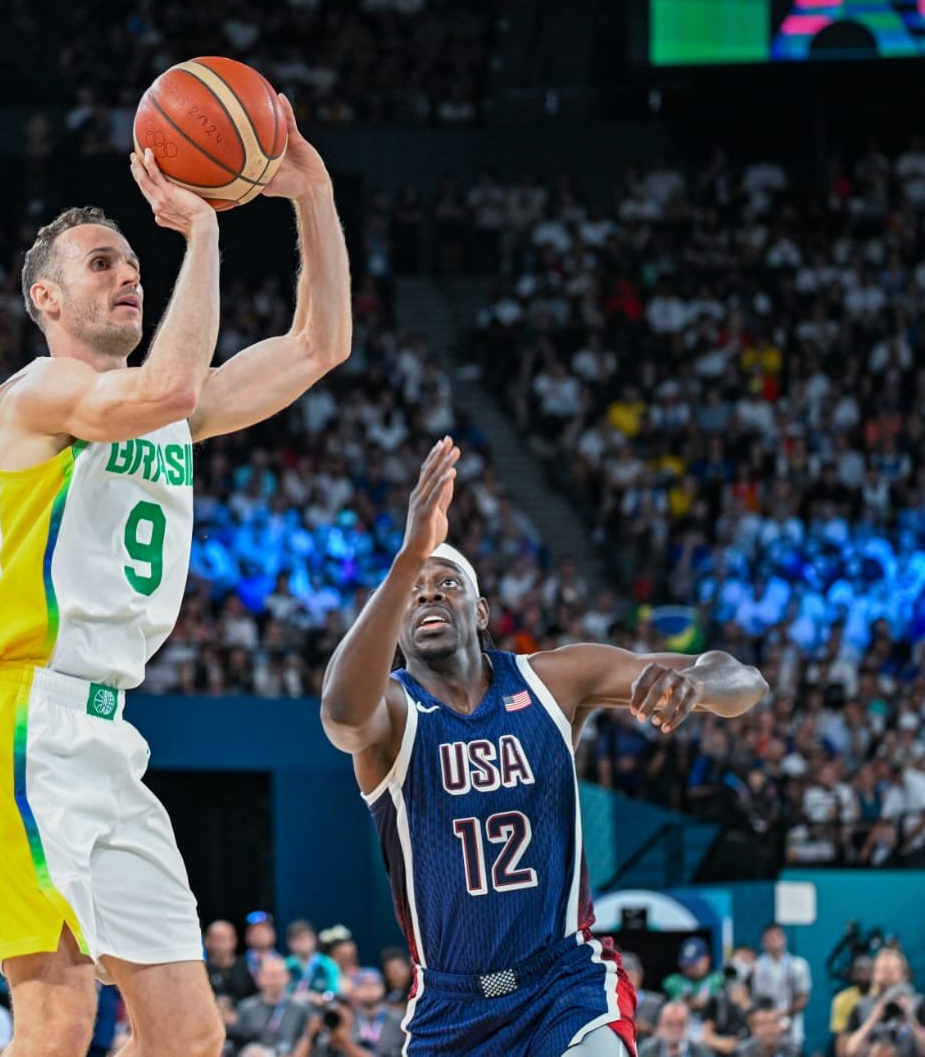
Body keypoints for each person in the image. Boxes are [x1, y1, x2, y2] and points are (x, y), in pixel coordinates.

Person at [0, 97, 351, 1055]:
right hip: (24, 719)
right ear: (46, 301)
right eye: (101, 264)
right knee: (57, 1011)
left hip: (109, 734)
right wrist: (201, 232)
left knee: (189, 1036)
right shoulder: (34, 397)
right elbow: (165, 384)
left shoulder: (167, 410)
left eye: (132, 261)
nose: (127, 274)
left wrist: (313, 195)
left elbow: (317, 346)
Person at [319, 438, 768, 1057]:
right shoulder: (393, 713)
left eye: (445, 582)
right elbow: (340, 715)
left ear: (478, 611)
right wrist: (409, 556)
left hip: (564, 983)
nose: (427, 593)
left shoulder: (553, 679)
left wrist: (693, 682)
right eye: (414, 591)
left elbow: (744, 679)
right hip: (450, 1007)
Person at [840, 948, 925, 1057]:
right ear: (873, 974)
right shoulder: (861, 1007)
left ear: (904, 974)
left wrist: (911, 1019)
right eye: (882, 969)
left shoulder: (918, 1003)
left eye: (892, 970)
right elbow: (848, 1051)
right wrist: (873, 1018)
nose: (887, 974)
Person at [228, 953, 317, 1055]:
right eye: (269, 975)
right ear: (259, 978)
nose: (274, 981)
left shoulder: (301, 1009)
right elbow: (238, 1045)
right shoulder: (246, 1008)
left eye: (278, 975)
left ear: (287, 977)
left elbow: (308, 1044)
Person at [311, 967, 405, 1057]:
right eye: (363, 984)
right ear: (354, 990)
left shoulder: (398, 1019)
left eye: (374, 984)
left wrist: (345, 1043)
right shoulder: (344, 1017)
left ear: (383, 988)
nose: (369, 988)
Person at [750, 924, 810, 1050]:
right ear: (763, 943)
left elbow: (803, 998)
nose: (773, 941)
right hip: (764, 1027)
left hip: (790, 1026)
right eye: (769, 938)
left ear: (784, 939)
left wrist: (783, 1014)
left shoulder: (798, 965)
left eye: (777, 937)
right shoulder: (756, 967)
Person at [205, 918, 258, 1003]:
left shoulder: (249, 966)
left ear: (234, 941)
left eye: (223, 939)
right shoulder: (201, 971)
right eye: (216, 939)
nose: (220, 944)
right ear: (207, 941)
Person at [286, 919, 343, 998]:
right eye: (299, 939)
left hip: (320, 1008)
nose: (304, 942)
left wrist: (321, 998)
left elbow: (334, 992)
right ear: (290, 943)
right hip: (292, 1007)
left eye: (307, 937)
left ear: (314, 939)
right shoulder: (285, 966)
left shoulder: (328, 964)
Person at [639, 1002, 711, 1057]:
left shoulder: (702, 1052)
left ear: (688, 1024)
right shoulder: (647, 1050)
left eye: (680, 1024)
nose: (674, 1029)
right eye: (669, 1024)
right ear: (661, 1025)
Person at [831, 955, 874, 1045]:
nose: (863, 975)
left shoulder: (882, 995)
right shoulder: (842, 999)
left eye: (867, 970)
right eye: (859, 970)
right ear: (853, 974)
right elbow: (840, 1036)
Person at [734, 1000, 799, 1057]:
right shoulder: (742, 1053)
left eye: (774, 1022)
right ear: (752, 1028)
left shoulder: (793, 1052)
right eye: (762, 1023)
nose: (769, 1029)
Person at [623, 952, 666, 1038]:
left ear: (640, 976)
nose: (627, 982)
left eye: (631, 976)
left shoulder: (657, 1003)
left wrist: (647, 1029)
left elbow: (666, 1034)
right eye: (623, 978)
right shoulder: (611, 1004)